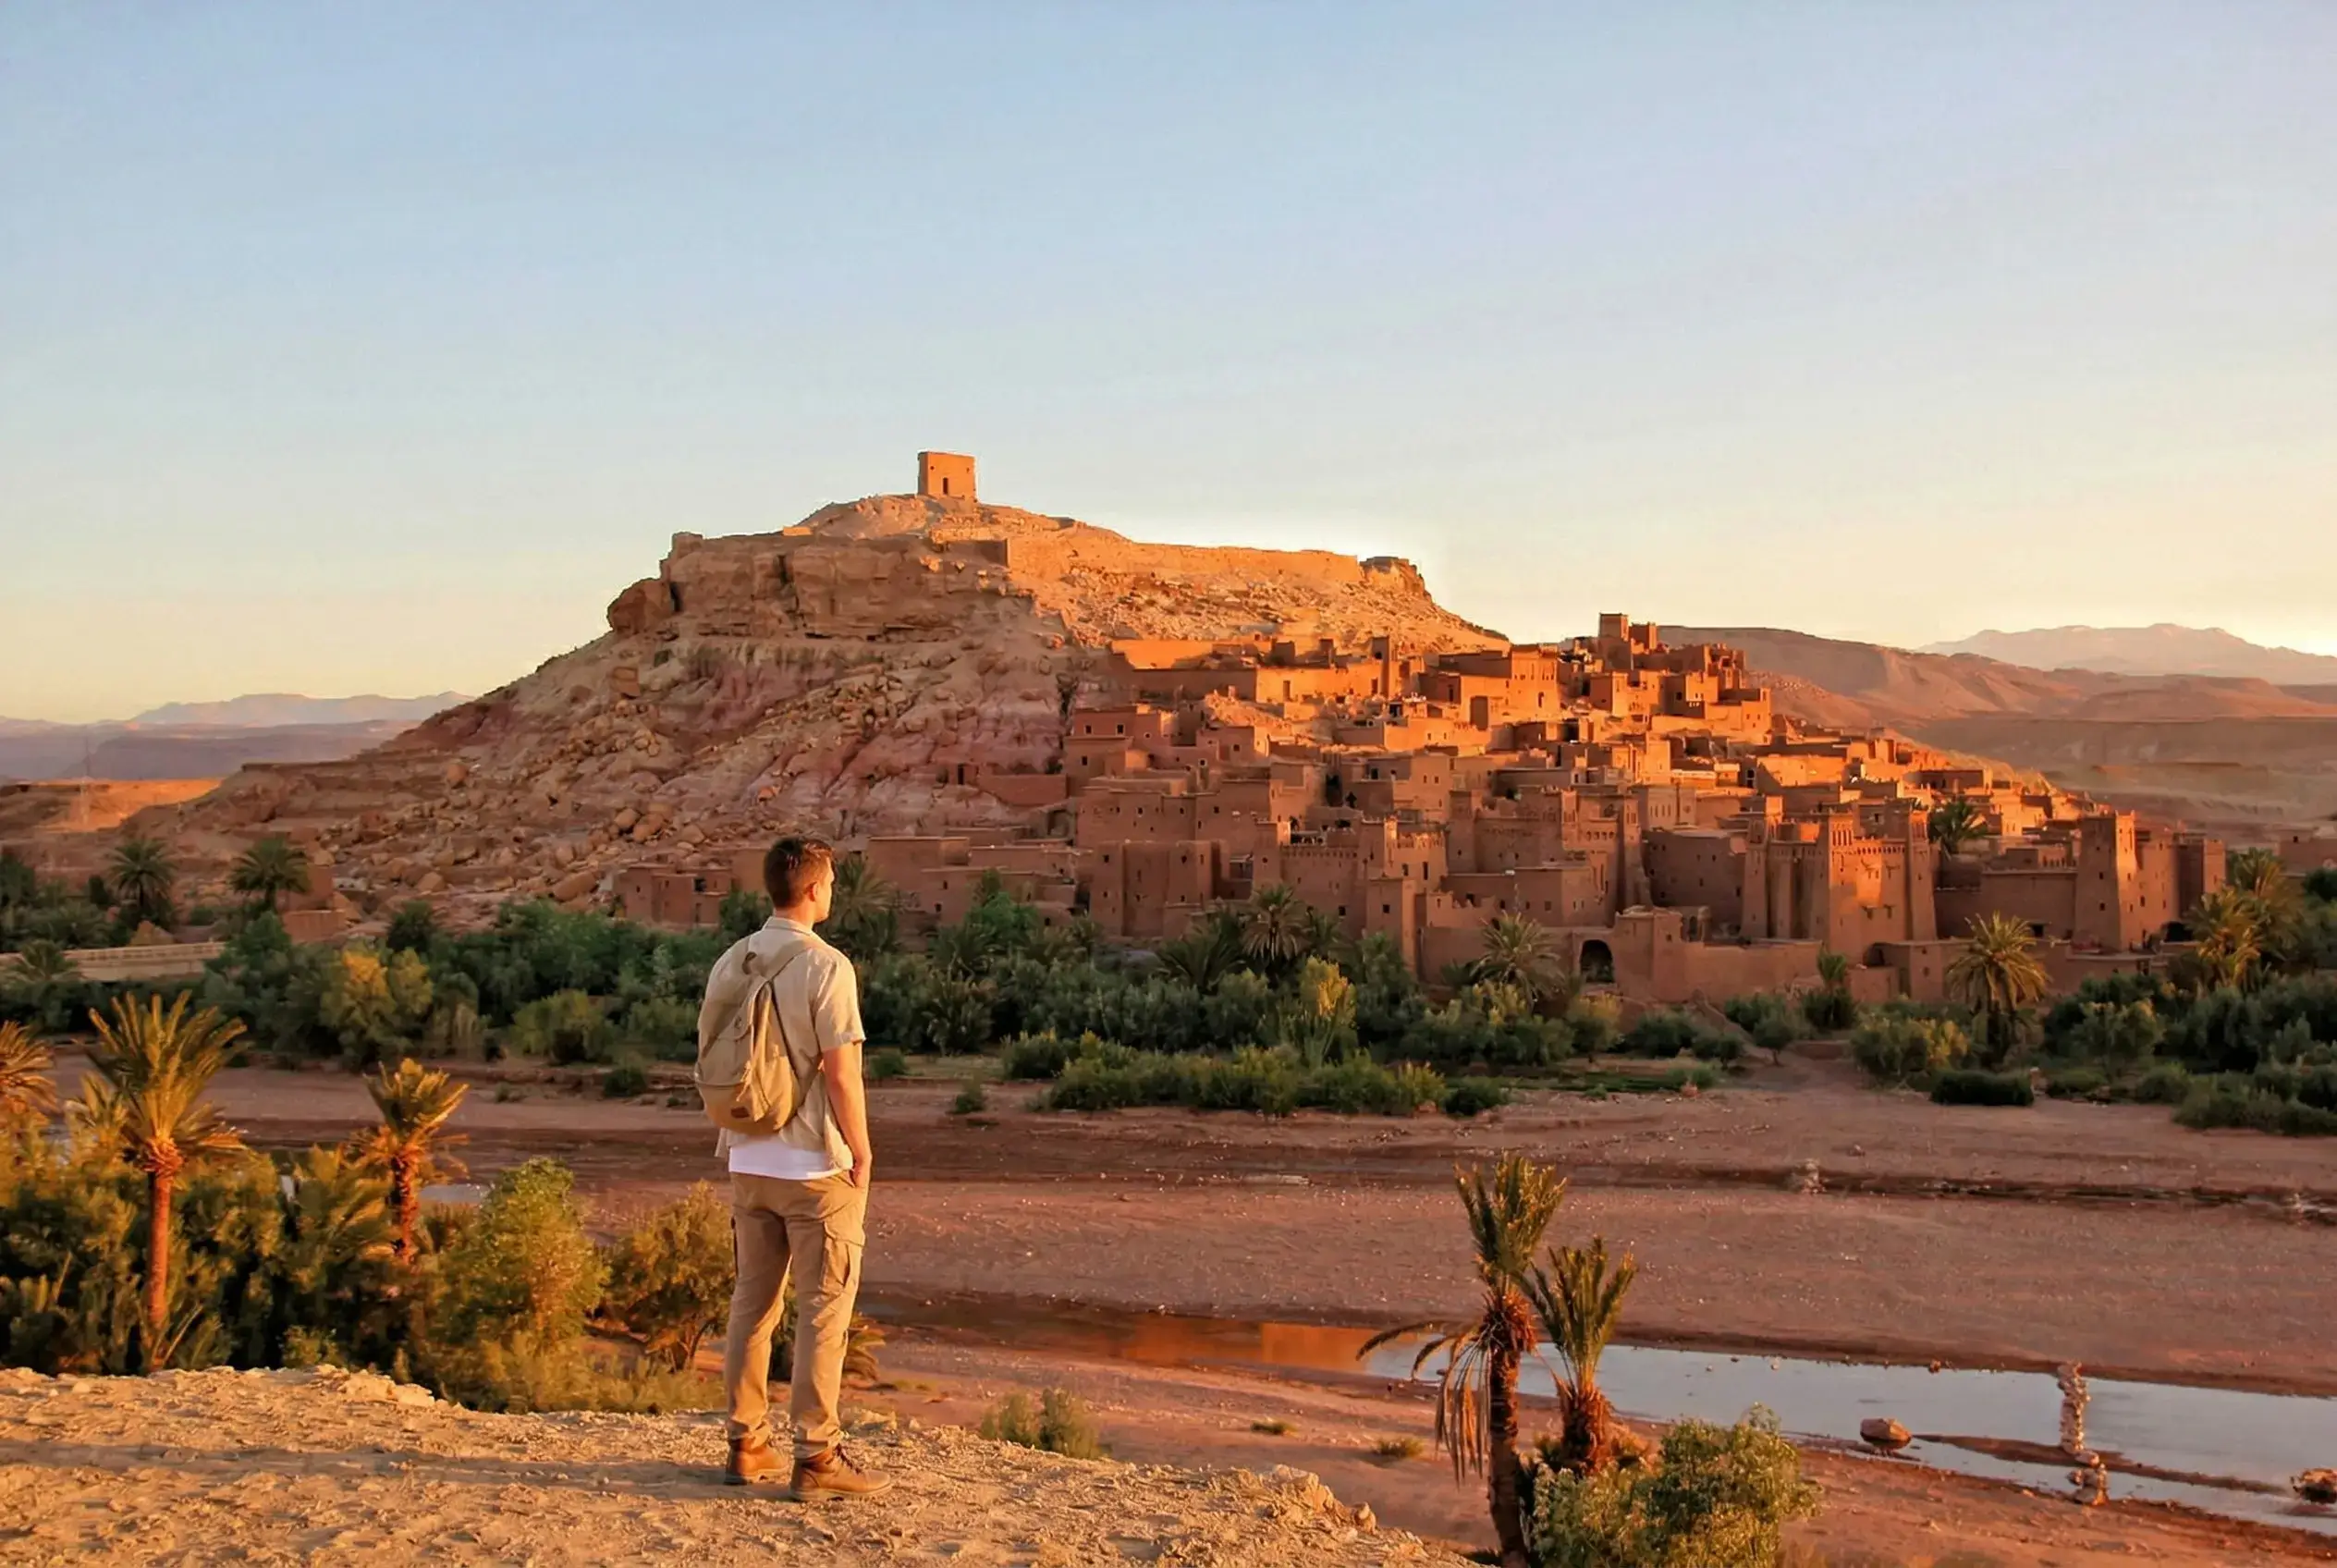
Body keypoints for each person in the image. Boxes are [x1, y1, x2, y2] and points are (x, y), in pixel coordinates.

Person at [704, 835, 889, 1499]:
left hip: (746, 1157)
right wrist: (862, 1148)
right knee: (822, 1311)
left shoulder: (733, 958)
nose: (833, 893)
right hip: (815, 1163)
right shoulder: (827, 965)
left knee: (751, 1305)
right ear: (813, 890)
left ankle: (745, 1444)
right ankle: (816, 1459)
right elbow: (842, 1071)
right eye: (832, 883)